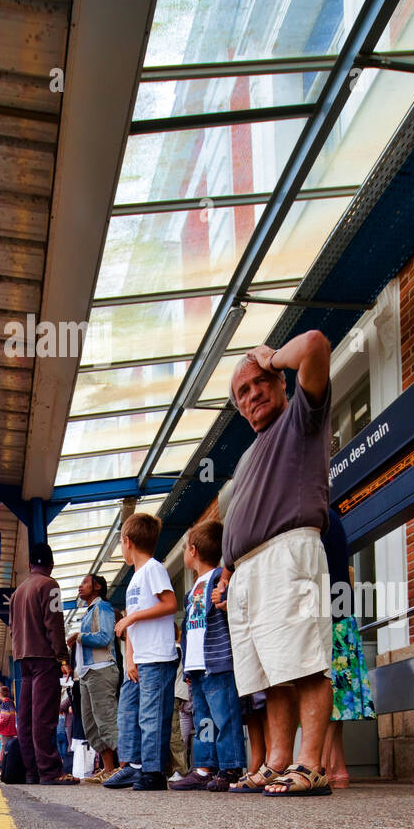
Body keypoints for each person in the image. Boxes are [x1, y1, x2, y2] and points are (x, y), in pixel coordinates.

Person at [214, 331, 335, 797]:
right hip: (247, 572)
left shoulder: (302, 417)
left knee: (304, 664)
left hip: (288, 554)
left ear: (281, 381)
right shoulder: (248, 455)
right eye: (241, 393)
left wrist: (273, 355)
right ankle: (278, 761)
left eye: (259, 382)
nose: (252, 395)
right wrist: (228, 571)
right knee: (270, 676)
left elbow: (317, 345)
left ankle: (311, 764)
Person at [105, 513, 178, 792]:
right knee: (128, 713)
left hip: (157, 656)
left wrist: (132, 619)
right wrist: (130, 658)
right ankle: (134, 765)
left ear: (128, 542)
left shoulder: (153, 569)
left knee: (151, 715)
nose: (122, 550)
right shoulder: (135, 578)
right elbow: (132, 620)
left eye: (121, 545)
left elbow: (169, 604)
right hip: (139, 658)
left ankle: (153, 770)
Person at [170, 520, 244, 792]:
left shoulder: (218, 579)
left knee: (225, 717)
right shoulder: (191, 592)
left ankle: (231, 767)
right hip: (197, 667)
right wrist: (187, 668)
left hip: (218, 661)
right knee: (203, 719)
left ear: (192, 550)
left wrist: (225, 587)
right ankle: (204, 767)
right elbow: (188, 633)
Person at [8, 542, 79, 785]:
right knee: (44, 717)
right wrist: (63, 657)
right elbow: (55, 624)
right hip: (44, 659)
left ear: (30, 565)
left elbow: (12, 630)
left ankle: (32, 772)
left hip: (23, 660)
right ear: (51, 564)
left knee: (26, 718)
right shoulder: (51, 585)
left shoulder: (17, 593)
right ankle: (50, 771)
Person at [321, 506, 376, 788]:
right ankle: (336, 766)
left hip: (325, 618)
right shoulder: (332, 519)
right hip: (340, 617)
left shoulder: (318, 519)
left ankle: (324, 766)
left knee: (323, 691)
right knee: (336, 694)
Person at [66, 574, 119, 784]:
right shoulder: (88, 612)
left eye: (85, 583)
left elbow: (105, 637)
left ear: (97, 587)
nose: (80, 586)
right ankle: (109, 768)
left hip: (101, 669)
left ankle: (125, 767)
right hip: (87, 674)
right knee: (91, 724)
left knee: (106, 720)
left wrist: (80, 636)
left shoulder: (103, 607)